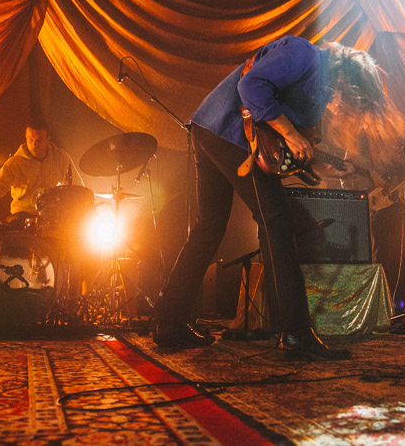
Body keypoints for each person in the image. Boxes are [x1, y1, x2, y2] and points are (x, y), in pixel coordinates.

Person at [152, 36, 386, 360]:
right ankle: (294, 332)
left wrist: (320, 161)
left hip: (210, 129)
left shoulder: (321, 90)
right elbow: (251, 87)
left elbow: (286, 144)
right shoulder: (303, 54)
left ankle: (169, 322)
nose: (344, 105)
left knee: (209, 227)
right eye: (351, 96)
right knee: (277, 221)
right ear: (345, 73)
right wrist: (291, 134)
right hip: (229, 131)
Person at [0, 121, 83, 220]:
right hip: (22, 216)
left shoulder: (61, 157)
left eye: (39, 140)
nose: (34, 144)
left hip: (52, 216)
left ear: (48, 140)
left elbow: (78, 188)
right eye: (30, 139)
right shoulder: (15, 163)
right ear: (25, 138)